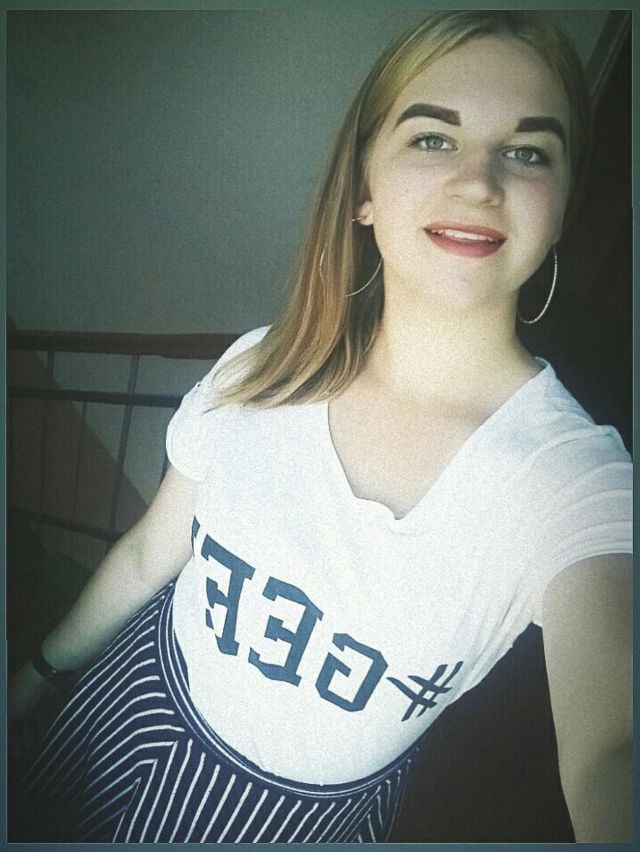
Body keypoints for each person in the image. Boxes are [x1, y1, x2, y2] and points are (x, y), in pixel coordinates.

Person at [9, 10, 632, 843]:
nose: (480, 182)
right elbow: (148, 553)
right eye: (434, 138)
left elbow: (611, 750)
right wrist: (34, 678)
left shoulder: (573, 479)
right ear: (364, 191)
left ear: (559, 211)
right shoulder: (261, 365)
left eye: (528, 152)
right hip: (127, 714)